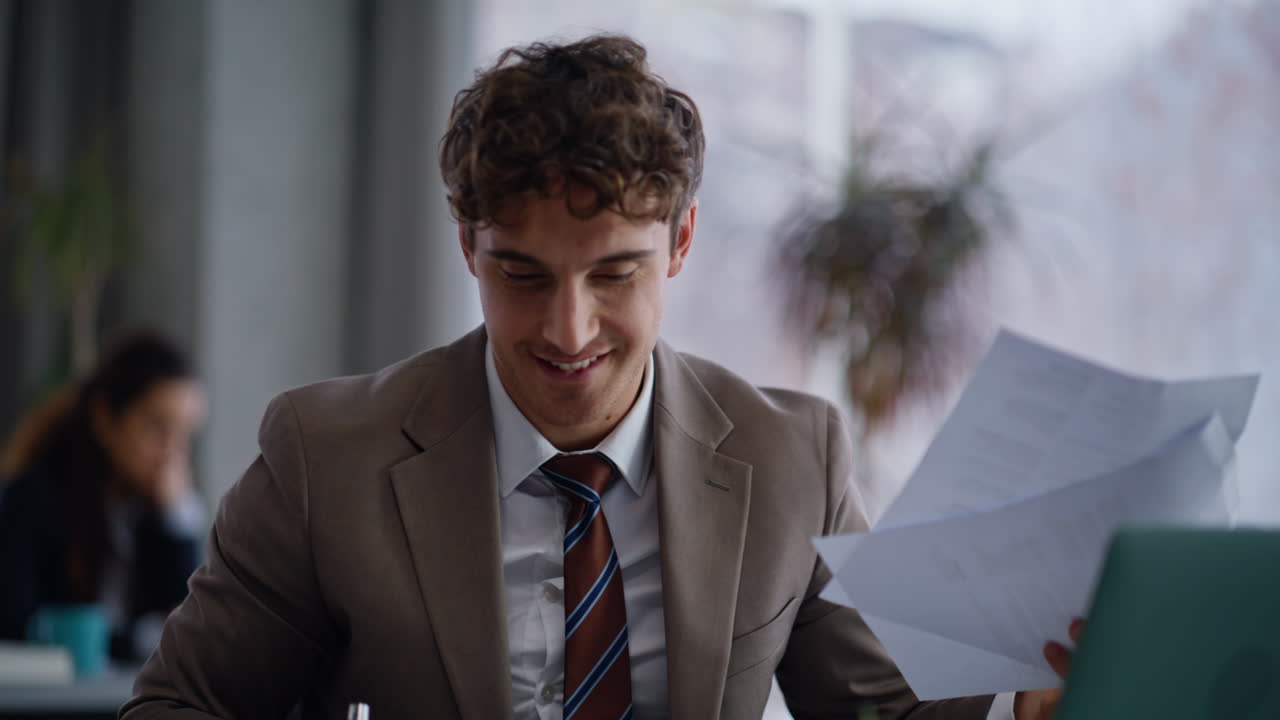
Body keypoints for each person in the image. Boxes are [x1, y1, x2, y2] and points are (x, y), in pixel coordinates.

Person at [121, 35, 1078, 719]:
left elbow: (883, 715)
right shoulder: (325, 459)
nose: (566, 330)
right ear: (467, 245)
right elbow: (180, 706)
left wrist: (1024, 704)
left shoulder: (794, 458)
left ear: (682, 242)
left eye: (615, 273)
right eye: (521, 274)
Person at [0, 330, 207, 662]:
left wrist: (177, 521)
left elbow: (192, 632)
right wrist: (137, 641)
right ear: (106, 418)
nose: (171, 454)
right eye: (157, 428)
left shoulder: (156, 510)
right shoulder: (34, 498)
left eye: (184, 435)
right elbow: (16, 624)